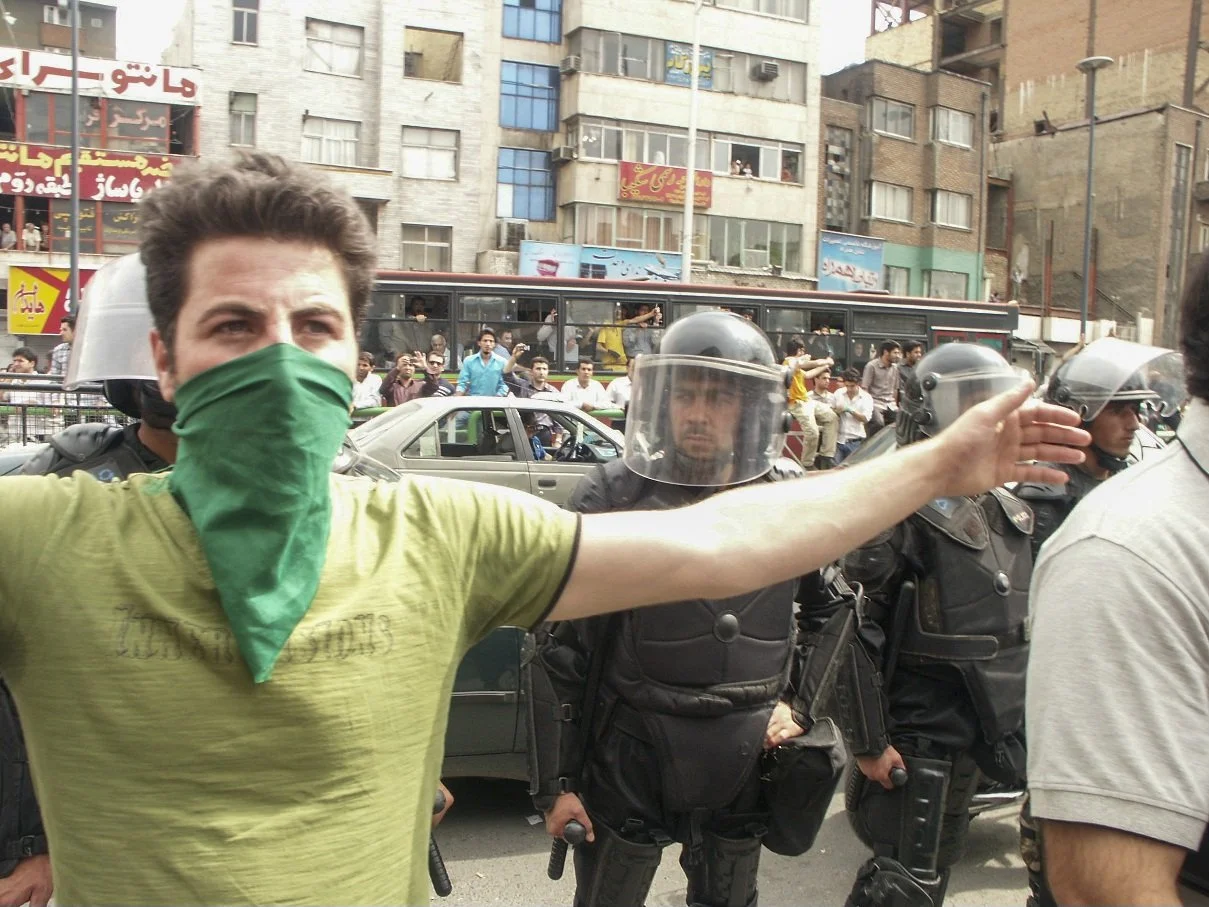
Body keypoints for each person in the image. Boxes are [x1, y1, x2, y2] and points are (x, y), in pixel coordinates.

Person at [0, 150, 1085, 905]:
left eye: (313, 326)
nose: (279, 360)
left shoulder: (437, 535)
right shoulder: (44, 538)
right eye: (233, 325)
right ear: (162, 360)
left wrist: (940, 462)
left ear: (351, 356)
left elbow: (729, 546)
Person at [528, 312, 846, 907]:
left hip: (748, 746)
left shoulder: (786, 495)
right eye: (686, 395)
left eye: (719, 397)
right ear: (662, 400)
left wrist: (799, 705)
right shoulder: (615, 492)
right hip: (631, 744)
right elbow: (558, 648)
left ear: (750, 406)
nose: (699, 413)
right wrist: (557, 786)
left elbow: (837, 607)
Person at [1025, 263, 1205, 906]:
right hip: (1075, 704)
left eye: (1136, 408)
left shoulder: (1125, 483)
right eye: (1116, 409)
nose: (1131, 423)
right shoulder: (1060, 507)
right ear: (1082, 412)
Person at [838, 343, 1037, 907]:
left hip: (979, 730)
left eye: (991, 403)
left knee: (936, 873)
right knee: (903, 883)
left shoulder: (1007, 509)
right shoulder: (896, 506)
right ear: (924, 411)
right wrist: (868, 741)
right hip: (917, 730)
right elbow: (848, 632)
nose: (985, 418)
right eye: (969, 403)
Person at [783, 338, 835, 470]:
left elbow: (807, 374)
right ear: (799, 350)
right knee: (813, 433)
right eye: (802, 350)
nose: (804, 352)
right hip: (797, 403)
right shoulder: (790, 361)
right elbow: (812, 362)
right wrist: (827, 361)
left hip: (807, 400)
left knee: (832, 417)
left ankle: (826, 455)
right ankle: (807, 463)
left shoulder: (796, 365)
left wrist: (824, 367)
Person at [834, 367, 874, 464]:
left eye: (852, 386)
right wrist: (837, 410)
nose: (849, 389)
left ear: (858, 384)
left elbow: (865, 418)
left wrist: (849, 410)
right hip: (839, 441)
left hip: (856, 442)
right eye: (847, 386)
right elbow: (831, 410)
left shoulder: (866, 398)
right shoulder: (839, 393)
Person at [862, 340, 901, 436]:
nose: (898, 355)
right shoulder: (871, 366)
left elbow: (895, 389)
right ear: (886, 352)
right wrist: (867, 406)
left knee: (903, 421)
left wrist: (895, 405)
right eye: (895, 353)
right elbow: (865, 388)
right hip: (875, 403)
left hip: (890, 404)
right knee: (878, 423)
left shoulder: (895, 368)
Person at [455, 328, 508, 396]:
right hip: (474, 403)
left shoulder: (502, 362)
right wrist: (457, 398)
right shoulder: (469, 361)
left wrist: (496, 399)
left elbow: (505, 385)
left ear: (495, 344)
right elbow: (462, 383)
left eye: (491, 341)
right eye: (485, 341)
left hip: (495, 403)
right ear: (479, 343)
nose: (488, 344)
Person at [806, 369, 840, 469]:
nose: (828, 381)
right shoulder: (808, 397)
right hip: (814, 436)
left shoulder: (833, 397)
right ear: (816, 379)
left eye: (829, 378)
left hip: (830, 438)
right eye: (824, 378)